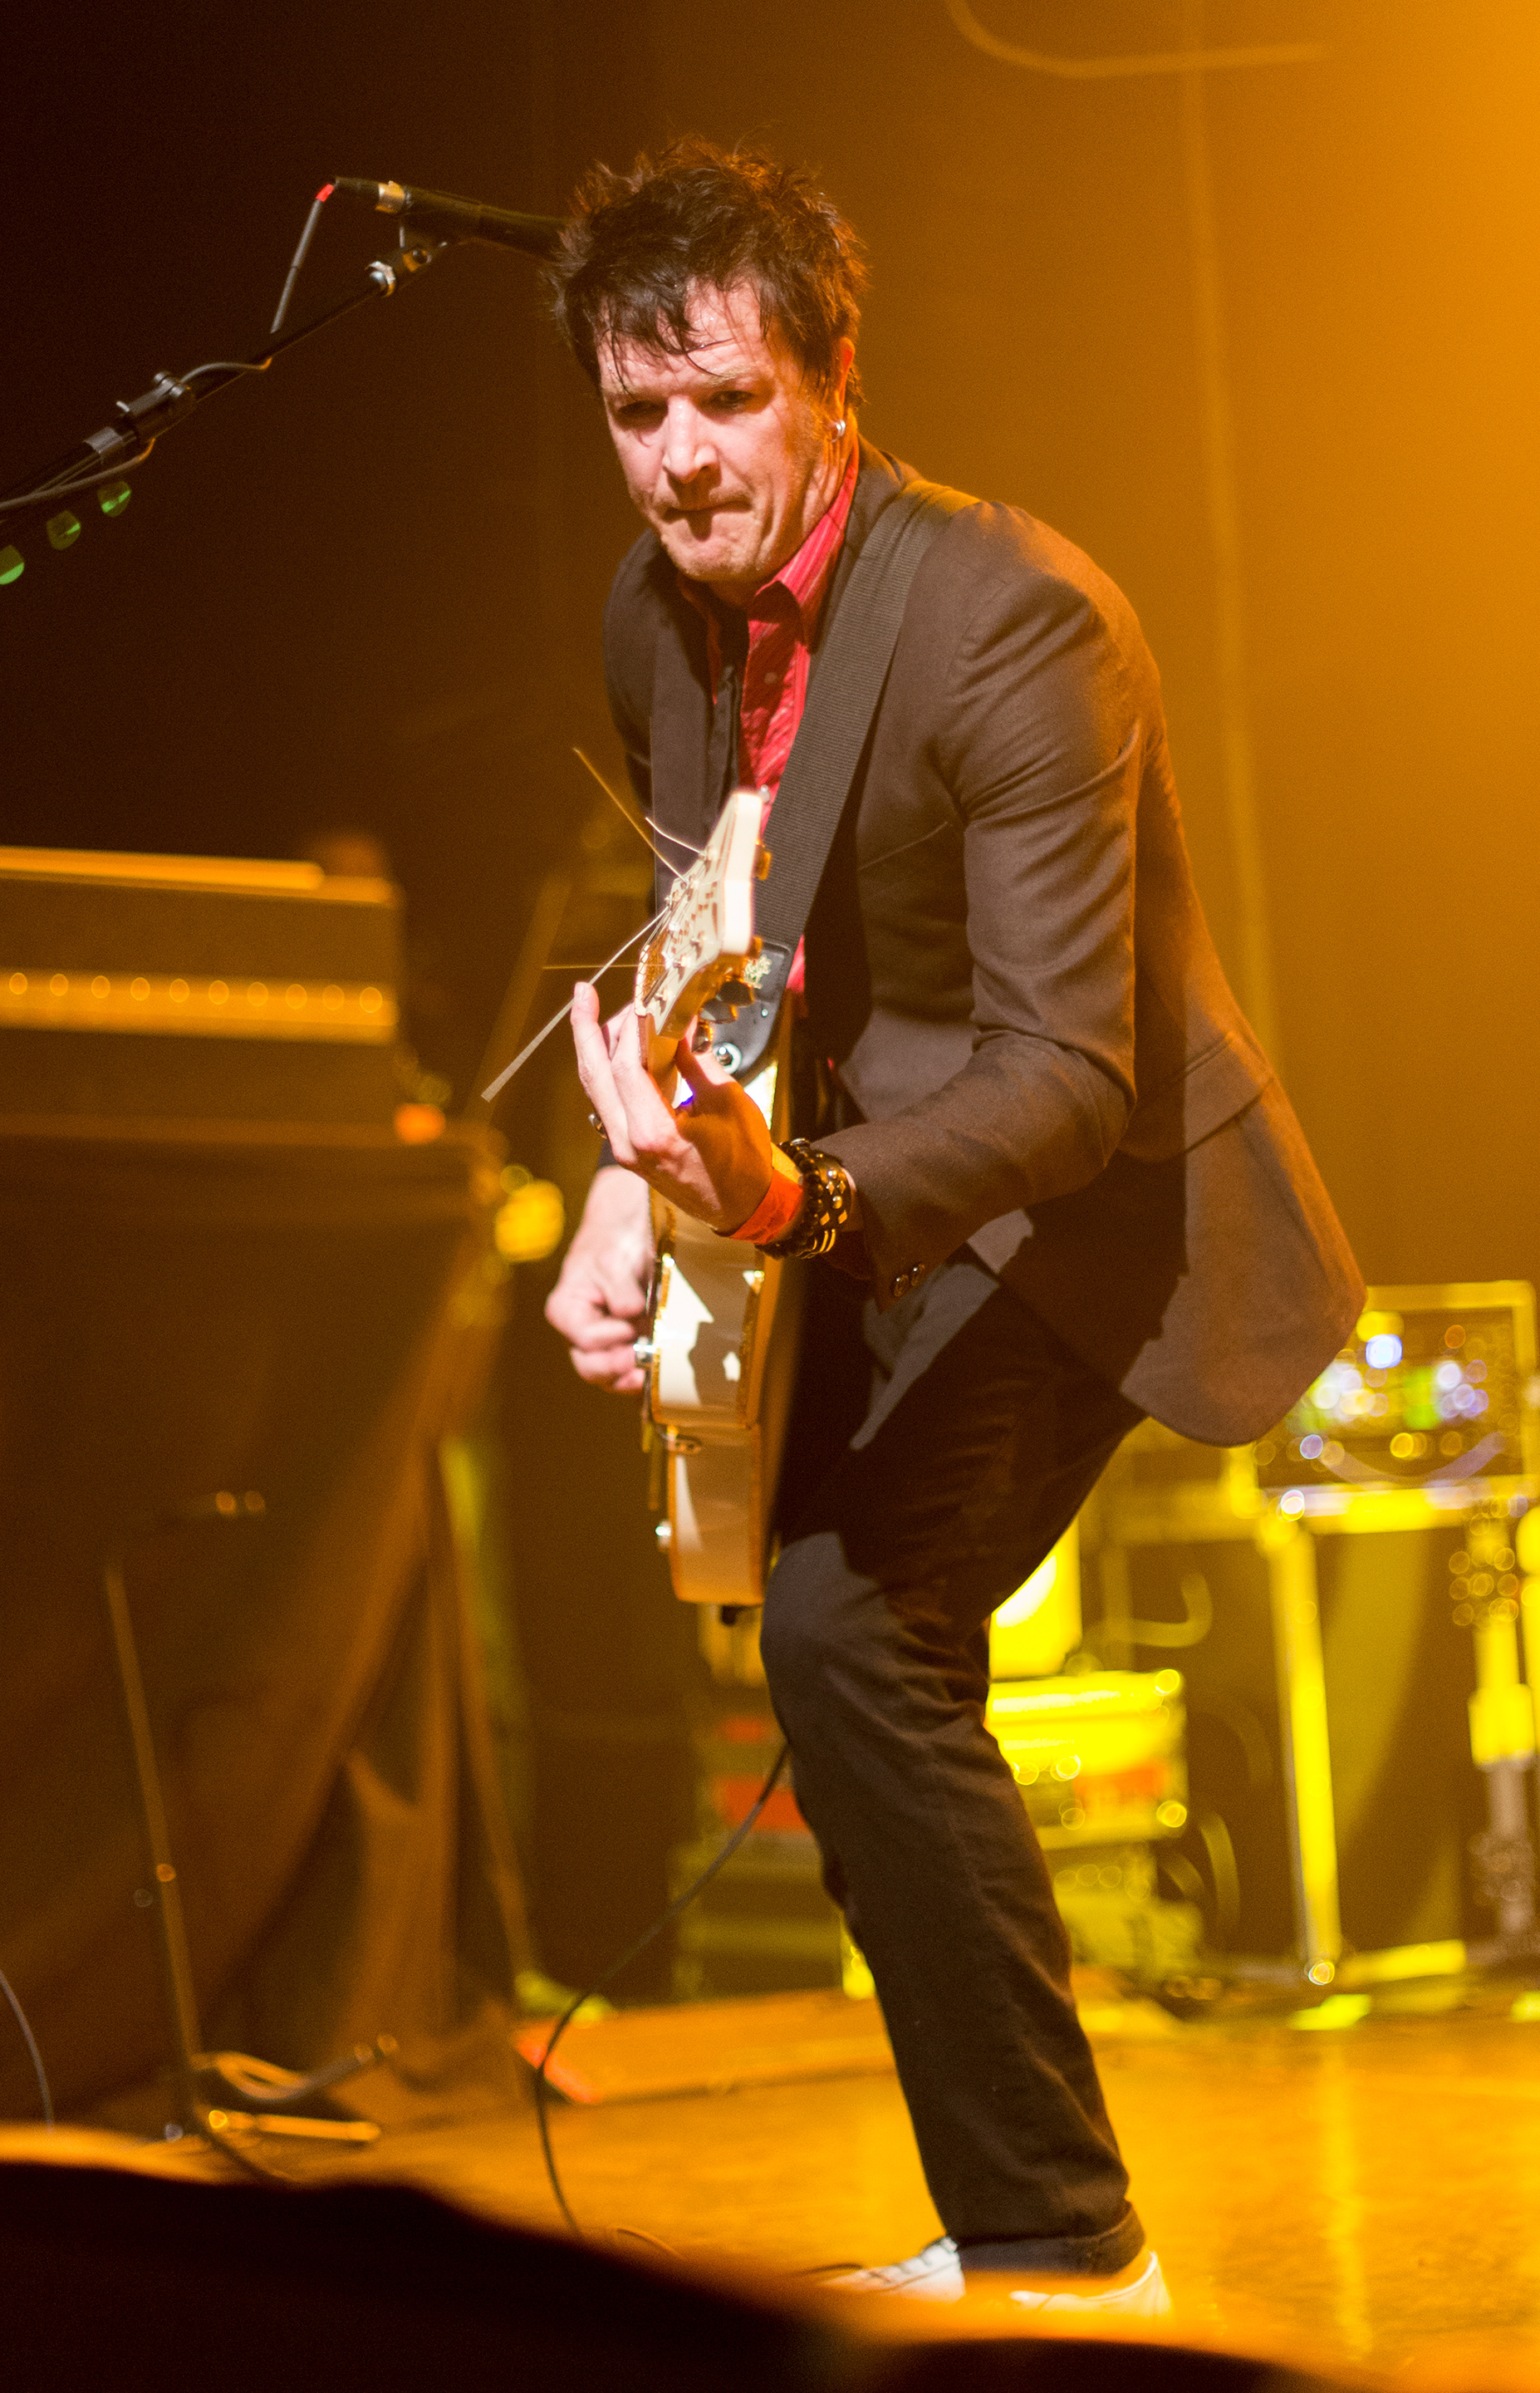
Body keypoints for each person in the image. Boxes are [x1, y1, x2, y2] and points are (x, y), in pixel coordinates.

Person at [542, 140, 1361, 2305]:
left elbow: (1070, 1075)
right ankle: (1034, 2225)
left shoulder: (1016, 618)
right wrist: (622, 1186)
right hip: (859, 1198)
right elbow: (710, 932)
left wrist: (793, 1194)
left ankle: (1062, 2250)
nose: (681, 460)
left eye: (727, 400)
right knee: (840, 1666)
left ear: (833, 384)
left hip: (1091, 1212)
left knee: (850, 1634)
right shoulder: (655, 619)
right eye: (637, 411)